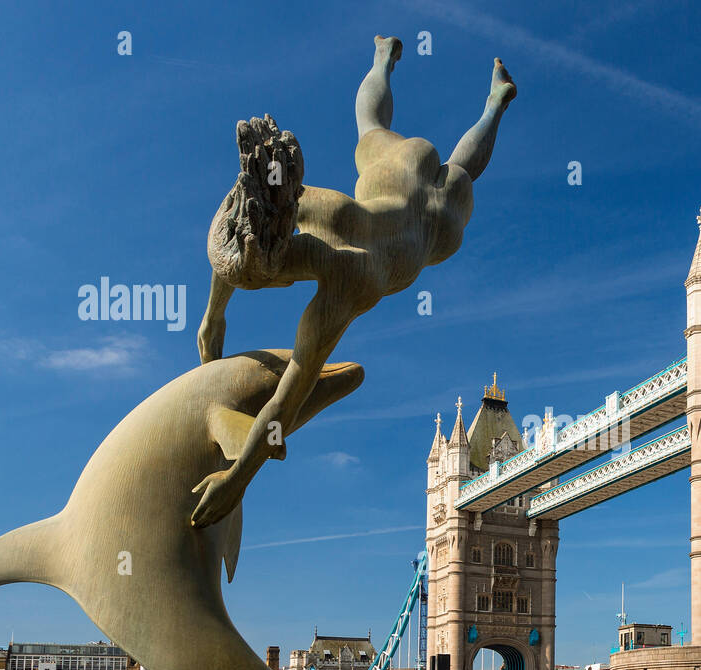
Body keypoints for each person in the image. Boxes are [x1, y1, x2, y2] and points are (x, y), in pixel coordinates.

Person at [190, 35, 516, 527]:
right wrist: (214, 315)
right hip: (399, 174)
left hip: (437, 227)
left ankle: (494, 104)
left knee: (463, 169)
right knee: (371, 125)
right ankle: (391, 60)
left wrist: (237, 480)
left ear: (276, 275)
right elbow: (249, 224)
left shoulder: (347, 287)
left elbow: (286, 400)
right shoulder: (311, 206)